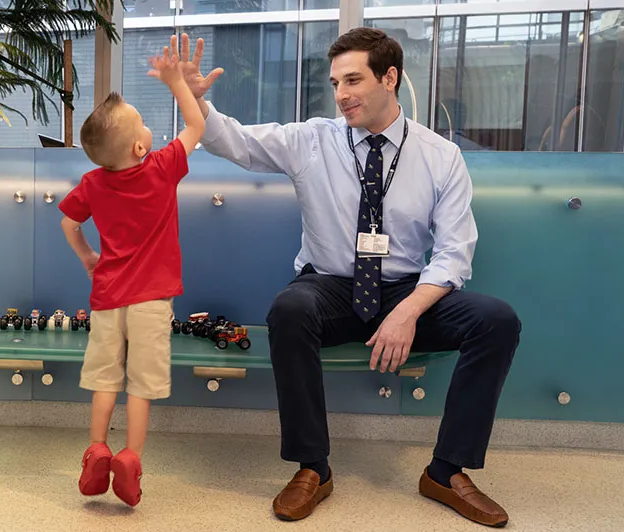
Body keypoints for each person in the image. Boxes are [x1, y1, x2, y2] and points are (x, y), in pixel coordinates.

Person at [169, 29, 521, 527]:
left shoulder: (440, 156)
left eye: (353, 80)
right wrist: (193, 97)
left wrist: (407, 312)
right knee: (289, 310)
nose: (341, 94)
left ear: (390, 78)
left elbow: (453, 253)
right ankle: (312, 468)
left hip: (406, 290)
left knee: (496, 320)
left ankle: (446, 472)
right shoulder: (312, 139)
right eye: (336, 82)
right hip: (330, 286)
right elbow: (236, 142)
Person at [58, 44, 205, 507]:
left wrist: (87, 257)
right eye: (143, 124)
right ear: (141, 147)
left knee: (106, 381)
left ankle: (97, 448)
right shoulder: (161, 169)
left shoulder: (93, 182)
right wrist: (176, 81)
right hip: (152, 301)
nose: (149, 129)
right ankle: (130, 458)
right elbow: (197, 125)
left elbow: (68, 224)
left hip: (107, 298)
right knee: (140, 387)